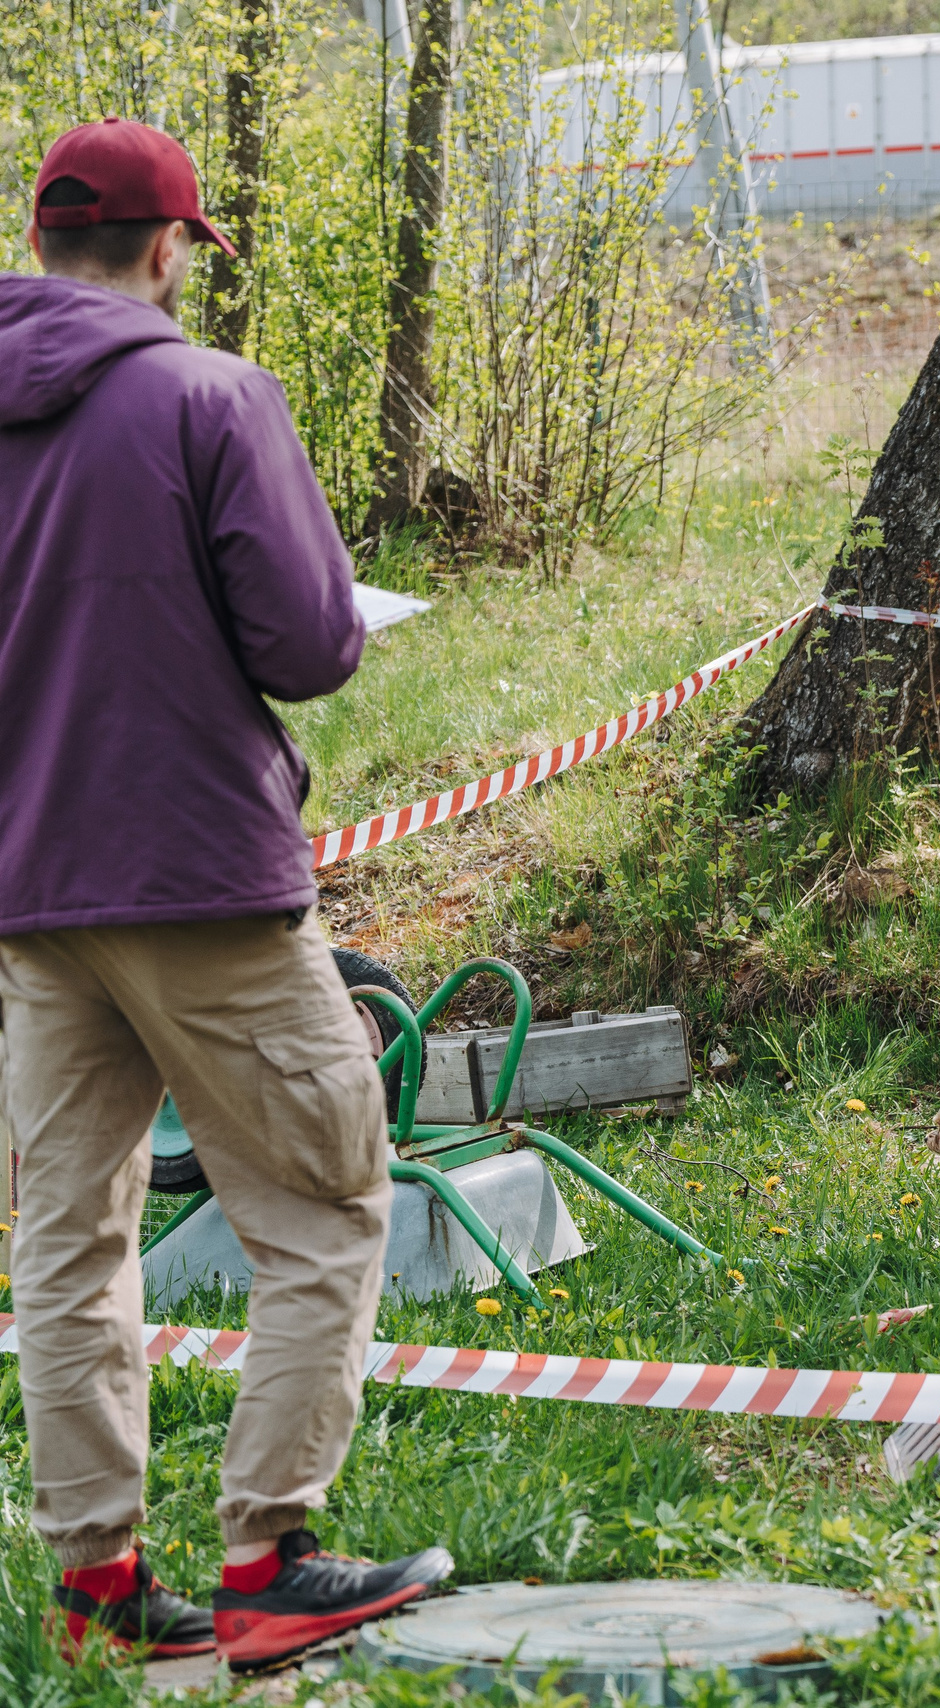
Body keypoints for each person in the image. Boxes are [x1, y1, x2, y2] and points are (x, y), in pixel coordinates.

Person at [0, 118, 451, 1670]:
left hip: (32, 892)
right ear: (168, 248)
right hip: (196, 871)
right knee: (325, 1205)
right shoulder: (208, 394)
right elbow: (310, 645)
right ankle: (269, 1557)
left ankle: (97, 1593)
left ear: (45, 239)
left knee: (68, 1241)